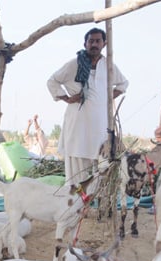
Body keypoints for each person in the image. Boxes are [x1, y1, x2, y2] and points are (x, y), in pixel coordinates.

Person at [47, 28, 128, 185]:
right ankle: (76, 207)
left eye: (98, 41)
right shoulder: (74, 64)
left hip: (99, 130)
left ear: (104, 44)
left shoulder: (108, 65)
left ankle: (95, 207)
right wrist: (67, 98)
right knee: (76, 178)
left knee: (100, 174)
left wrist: (107, 98)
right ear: (85, 44)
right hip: (77, 128)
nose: (94, 44)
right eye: (91, 41)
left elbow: (123, 83)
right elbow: (52, 81)